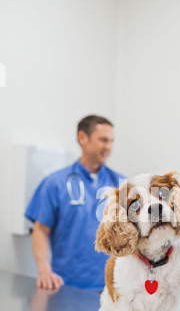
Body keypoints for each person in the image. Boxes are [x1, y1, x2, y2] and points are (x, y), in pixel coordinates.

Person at [25, 115, 126, 291]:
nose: (109, 147)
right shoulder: (55, 183)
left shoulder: (122, 185)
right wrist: (44, 270)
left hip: (114, 285)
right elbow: (41, 230)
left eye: (111, 141)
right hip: (66, 285)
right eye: (103, 140)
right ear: (82, 138)